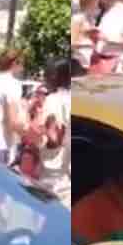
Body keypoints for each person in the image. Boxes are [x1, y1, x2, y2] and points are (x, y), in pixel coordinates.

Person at [35, 58, 71, 208]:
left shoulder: (52, 101)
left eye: (47, 75)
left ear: (54, 77)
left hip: (53, 173)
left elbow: (50, 137)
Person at [72, 0, 100, 69]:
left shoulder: (92, 20)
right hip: (81, 59)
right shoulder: (77, 19)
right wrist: (88, 44)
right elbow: (73, 42)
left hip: (91, 58)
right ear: (88, 3)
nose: (97, 7)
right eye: (95, 4)